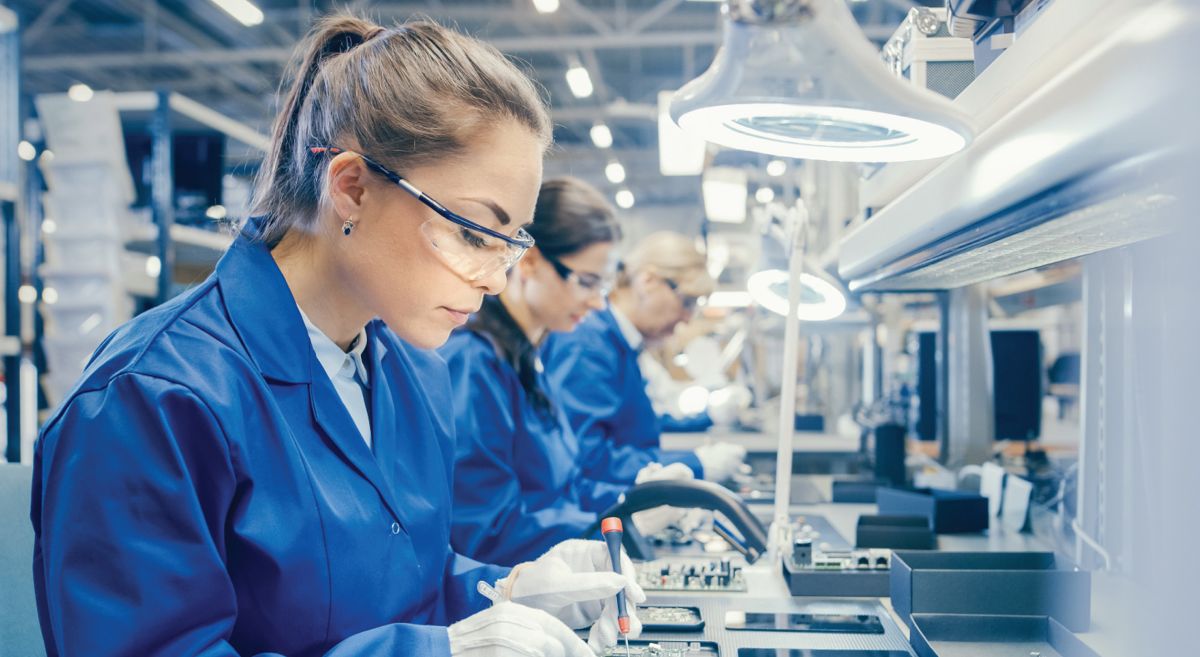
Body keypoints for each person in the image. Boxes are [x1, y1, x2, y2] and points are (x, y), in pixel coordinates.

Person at [30, 15, 641, 657]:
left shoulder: (411, 374)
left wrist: (510, 593)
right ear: (351, 188)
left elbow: (408, 586)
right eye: (472, 233)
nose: (494, 282)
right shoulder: (151, 398)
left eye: (509, 243)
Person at [441, 178, 697, 567]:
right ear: (529, 262)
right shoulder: (476, 364)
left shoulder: (528, 358)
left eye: (604, 285)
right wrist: (620, 527)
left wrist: (633, 501)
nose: (598, 303)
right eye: (587, 283)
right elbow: (487, 532)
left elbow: (565, 488)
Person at [542, 231, 747, 486]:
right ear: (648, 280)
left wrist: (706, 421)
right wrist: (692, 465)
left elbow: (632, 426)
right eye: (686, 301)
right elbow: (588, 459)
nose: (687, 317)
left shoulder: (619, 344)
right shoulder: (588, 345)